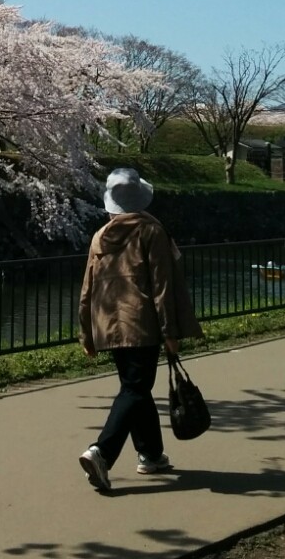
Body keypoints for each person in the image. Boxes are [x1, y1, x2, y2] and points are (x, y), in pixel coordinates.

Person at [77, 167, 203, 493]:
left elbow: (87, 288)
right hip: (140, 323)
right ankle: (102, 452)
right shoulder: (150, 231)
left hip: (107, 323)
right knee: (135, 389)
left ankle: (151, 454)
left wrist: (86, 332)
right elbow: (162, 285)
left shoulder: (100, 236)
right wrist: (170, 331)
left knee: (136, 388)